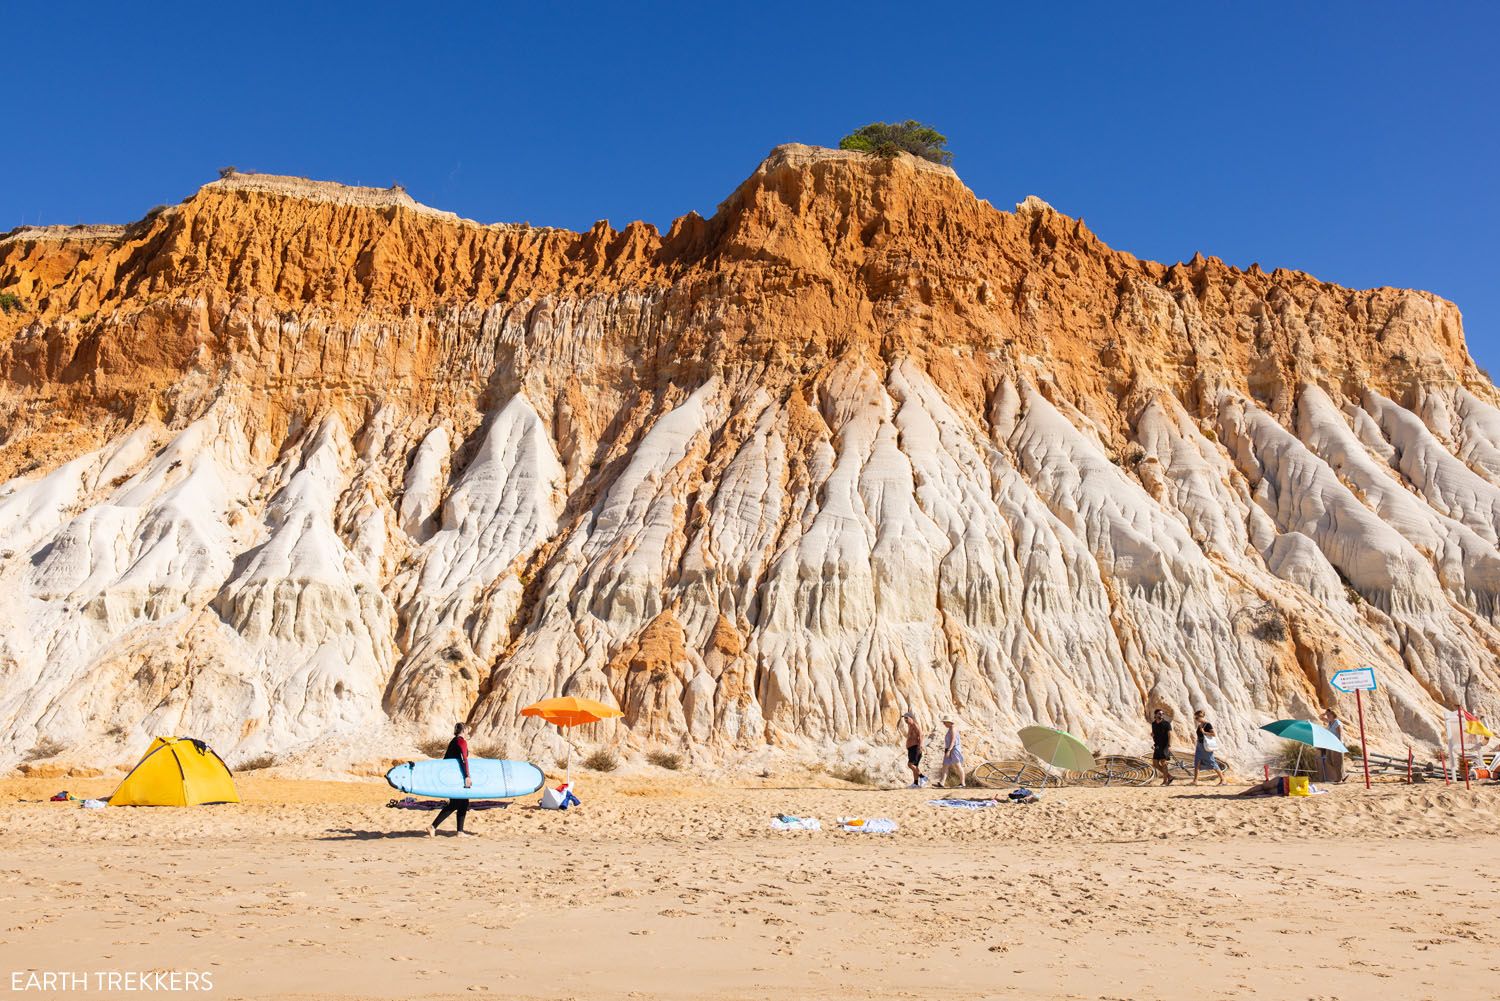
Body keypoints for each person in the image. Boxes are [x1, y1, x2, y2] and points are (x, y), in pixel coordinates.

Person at [429, 722, 474, 837]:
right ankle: (432, 826)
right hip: (455, 777)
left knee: (463, 802)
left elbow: (447, 759)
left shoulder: (454, 741)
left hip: (450, 775)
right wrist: (467, 776)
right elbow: (464, 759)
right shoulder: (461, 741)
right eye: (467, 729)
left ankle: (460, 831)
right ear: (463, 730)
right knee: (455, 803)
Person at [1192, 714, 1225, 785]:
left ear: (1202, 717)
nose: (1196, 719)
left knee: (1212, 762)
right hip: (1199, 745)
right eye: (1196, 718)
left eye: (1197, 717)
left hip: (1206, 746)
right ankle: (1195, 781)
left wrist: (1204, 732)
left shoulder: (1208, 725)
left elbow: (1213, 734)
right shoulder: (1200, 725)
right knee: (1197, 762)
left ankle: (1223, 780)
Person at [938, 715, 965, 788]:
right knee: (945, 765)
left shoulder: (953, 728)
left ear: (949, 722)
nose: (944, 724)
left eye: (945, 722)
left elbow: (953, 741)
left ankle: (962, 783)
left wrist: (949, 750)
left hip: (953, 749)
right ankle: (942, 782)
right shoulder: (950, 728)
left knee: (957, 765)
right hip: (949, 748)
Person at [1319, 708, 1345, 783]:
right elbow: (1320, 717)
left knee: (1337, 761)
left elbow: (1340, 734)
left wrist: (1339, 745)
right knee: (1329, 760)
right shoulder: (1329, 722)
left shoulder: (1337, 722)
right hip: (1331, 744)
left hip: (1337, 744)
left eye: (1329, 715)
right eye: (1327, 715)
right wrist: (1325, 713)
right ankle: (1342, 775)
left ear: (1333, 715)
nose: (1327, 716)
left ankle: (1339, 779)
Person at [901, 712, 927, 788]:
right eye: (904, 718)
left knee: (910, 764)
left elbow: (921, 735)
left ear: (911, 718)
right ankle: (915, 783)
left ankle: (922, 777)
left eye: (907, 718)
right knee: (915, 766)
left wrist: (920, 746)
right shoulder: (910, 726)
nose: (905, 720)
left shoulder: (915, 725)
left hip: (916, 748)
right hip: (912, 748)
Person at [1150, 708, 1174, 785]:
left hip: (1165, 745)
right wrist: (1153, 737)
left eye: (1162, 714)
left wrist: (1169, 745)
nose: (1161, 715)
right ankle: (1169, 776)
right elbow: (1154, 734)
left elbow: (1170, 734)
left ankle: (1165, 780)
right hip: (1157, 746)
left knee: (1163, 762)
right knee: (1155, 764)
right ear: (1155, 714)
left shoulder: (1166, 723)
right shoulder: (1153, 724)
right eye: (1160, 713)